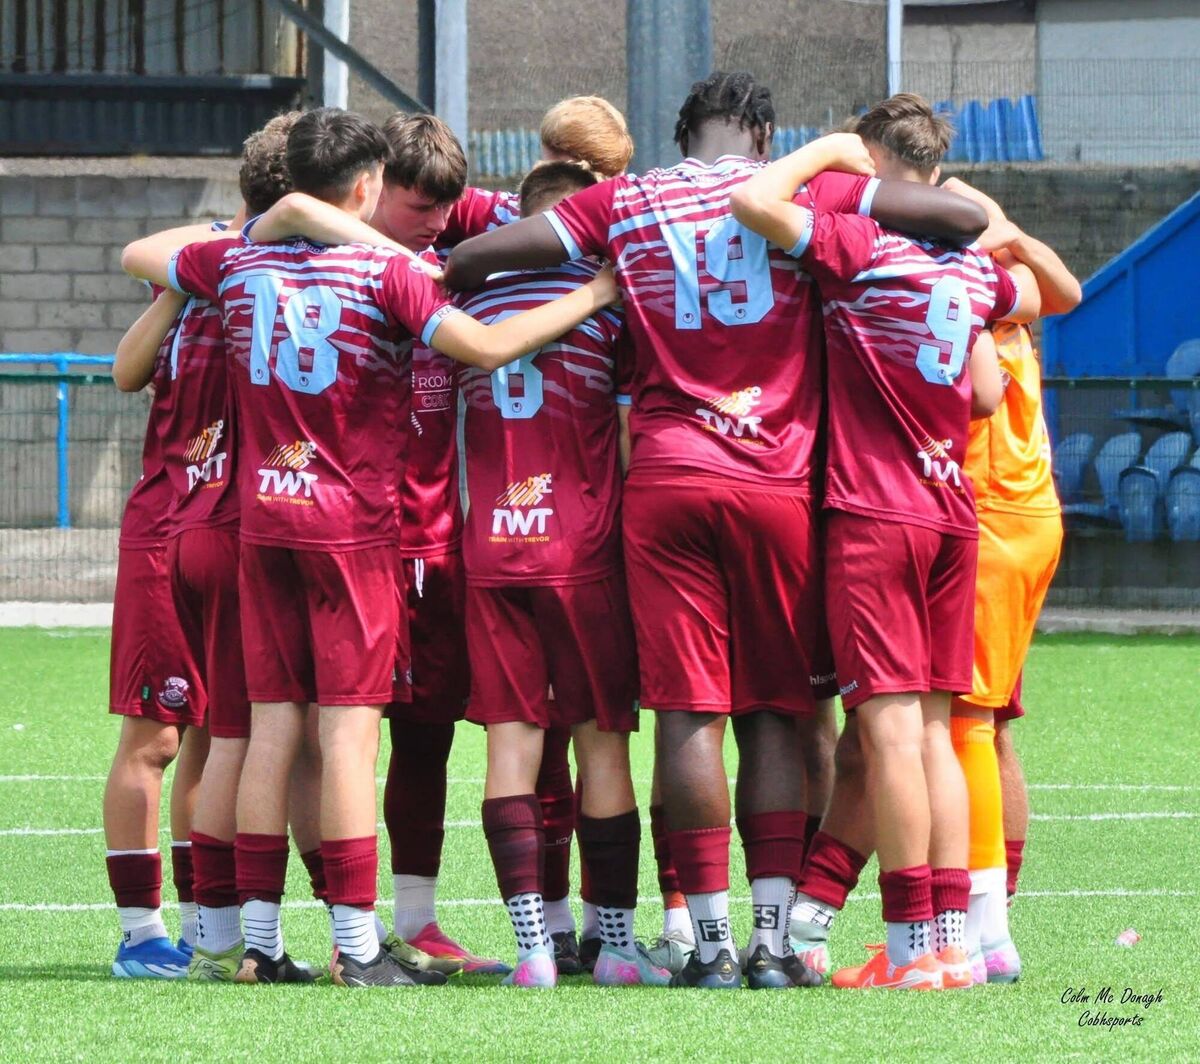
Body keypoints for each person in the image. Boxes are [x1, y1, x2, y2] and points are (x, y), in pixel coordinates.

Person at [445, 69, 989, 990]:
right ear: (766, 137)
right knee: (780, 710)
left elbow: (478, 260)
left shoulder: (626, 196)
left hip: (663, 477)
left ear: (681, 133)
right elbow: (963, 221)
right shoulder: (810, 192)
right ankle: (776, 943)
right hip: (778, 481)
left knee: (689, 714)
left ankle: (704, 943)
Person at [124, 106, 620, 988]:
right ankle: (358, 949)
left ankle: (257, 944)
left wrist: (284, 219)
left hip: (261, 522)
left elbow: (154, 254)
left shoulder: (236, 259)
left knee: (272, 727)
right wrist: (594, 294)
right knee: (350, 737)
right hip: (351, 529)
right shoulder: (387, 275)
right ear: (366, 188)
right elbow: (491, 344)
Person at [730, 121, 1037, 991]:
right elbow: (985, 389)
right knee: (935, 731)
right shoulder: (972, 272)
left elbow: (752, 202)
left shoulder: (862, 247)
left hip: (875, 512)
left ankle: (909, 950)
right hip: (952, 512)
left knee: (890, 730)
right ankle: (950, 944)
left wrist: (828, 153)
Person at [456, 159, 665, 988]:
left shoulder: (468, 307)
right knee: (602, 748)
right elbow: (624, 441)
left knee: (510, 751)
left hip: (489, 551)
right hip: (581, 553)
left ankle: (535, 952)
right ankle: (614, 948)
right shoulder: (611, 315)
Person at [941, 174, 1079, 983]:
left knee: (964, 722)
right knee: (991, 726)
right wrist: (1010, 230)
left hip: (990, 521)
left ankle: (987, 933)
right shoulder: (1012, 291)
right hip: (1029, 517)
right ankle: (997, 907)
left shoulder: (961, 291)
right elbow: (1068, 288)